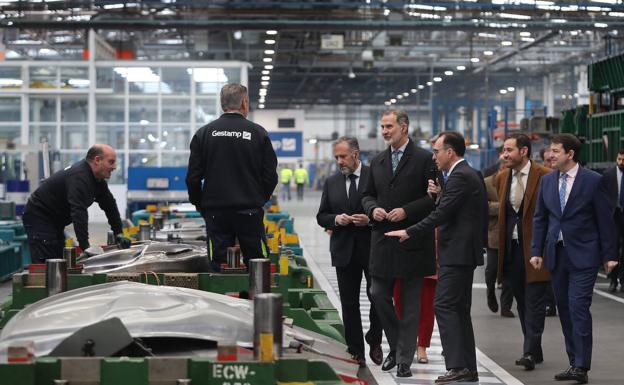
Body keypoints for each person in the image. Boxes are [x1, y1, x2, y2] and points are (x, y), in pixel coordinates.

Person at [386, 131, 486, 384]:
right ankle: (467, 368)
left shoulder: (461, 176)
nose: (434, 157)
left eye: (437, 151)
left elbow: (441, 215)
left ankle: (457, 366)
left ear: (450, 152)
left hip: (457, 252)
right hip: (462, 252)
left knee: (445, 305)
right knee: (459, 309)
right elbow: (453, 209)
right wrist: (440, 193)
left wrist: (409, 230)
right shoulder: (464, 175)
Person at [531, 133, 618, 384]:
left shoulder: (593, 181)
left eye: (556, 151)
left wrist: (610, 255)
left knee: (578, 306)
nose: (550, 155)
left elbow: (605, 220)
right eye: (550, 151)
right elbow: (540, 218)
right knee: (566, 310)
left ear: (570, 154)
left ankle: (582, 366)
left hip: (584, 254)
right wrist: (536, 251)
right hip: (556, 255)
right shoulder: (547, 181)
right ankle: (573, 361)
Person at [361, 109, 436, 378]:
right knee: (378, 293)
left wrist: (407, 211)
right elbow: (367, 195)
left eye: (389, 126)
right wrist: (372, 209)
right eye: (382, 126)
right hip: (382, 239)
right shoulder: (378, 161)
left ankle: (404, 360)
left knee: (411, 303)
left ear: (404, 127)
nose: (384, 131)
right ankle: (396, 346)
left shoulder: (426, 159)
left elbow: (433, 199)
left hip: (413, 239)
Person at [186, 83, 278, 270]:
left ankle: (220, 297)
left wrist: (201, 205)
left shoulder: (203, 134)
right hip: (249, 212)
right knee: (257, 264)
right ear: (244, 103)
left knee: (218, 265)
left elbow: (193, 179)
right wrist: (258, 199)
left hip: (215, 213)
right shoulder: (258, 133)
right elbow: (270, 176)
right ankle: (257, 297)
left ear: (222, 104)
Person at [316, 136, 383, 368]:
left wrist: (370, 219)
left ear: (356, 154)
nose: (339, 161)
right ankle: (356, 350)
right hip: (343, 250)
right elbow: (321, 215)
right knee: (349, 303)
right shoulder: (332, 182)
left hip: (372, 248)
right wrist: (336, 219)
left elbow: (384, 211)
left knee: (378, 297)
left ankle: (375, 338)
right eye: (336, 157)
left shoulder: (373, 177)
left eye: (343, 156)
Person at [496, 133, 552, 371]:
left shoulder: (545, 176)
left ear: (524, 151)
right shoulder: (501, 178)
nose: (504, 154)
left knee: (535, 301)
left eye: (509, 150)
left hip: (537, 249)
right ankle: (534, 350)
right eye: (504, 150)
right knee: (521, 302)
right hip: (512, 249)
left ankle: (529, 351)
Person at [23, 144, 130, 263]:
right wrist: (85, 246)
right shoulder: (80, 177)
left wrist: (119, 232)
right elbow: (79, 212)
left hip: (55, 221)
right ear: (97, 160)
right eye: (111, 162)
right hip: (39, 216)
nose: (114, 167)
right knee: (47, 262)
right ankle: (44, 281)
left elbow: (110, 206)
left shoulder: (98, 180)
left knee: (58, 259)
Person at [484, 162, 514, 318]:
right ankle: (490, 292)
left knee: (509, 270)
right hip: (494, 232)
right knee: (492, 269)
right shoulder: (487, 183)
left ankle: (506, 306)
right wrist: (502, 206)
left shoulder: (515, 182)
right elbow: (483, 206)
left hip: (511, 233)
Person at [603, 149, 624, 292]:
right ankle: (613, 281)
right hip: (613, 215)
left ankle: (623, 281)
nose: (621, 162)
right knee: (613, 248)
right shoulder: (608, 174)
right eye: (619, 159)